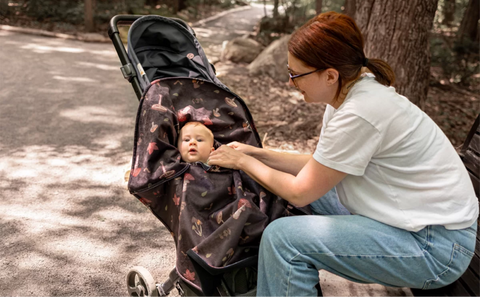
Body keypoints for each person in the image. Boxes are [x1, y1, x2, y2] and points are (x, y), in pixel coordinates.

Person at [207, 11, 478, 297]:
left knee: (283, 240)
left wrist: (244, 161)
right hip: (411, 221)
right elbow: (319, 167)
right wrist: (257, 154)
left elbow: (301, 192)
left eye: (295, 74)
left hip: (435, 248)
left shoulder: (360, 112)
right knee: (288, 186)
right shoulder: (347, 94)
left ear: (330, 75)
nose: (290, 82)